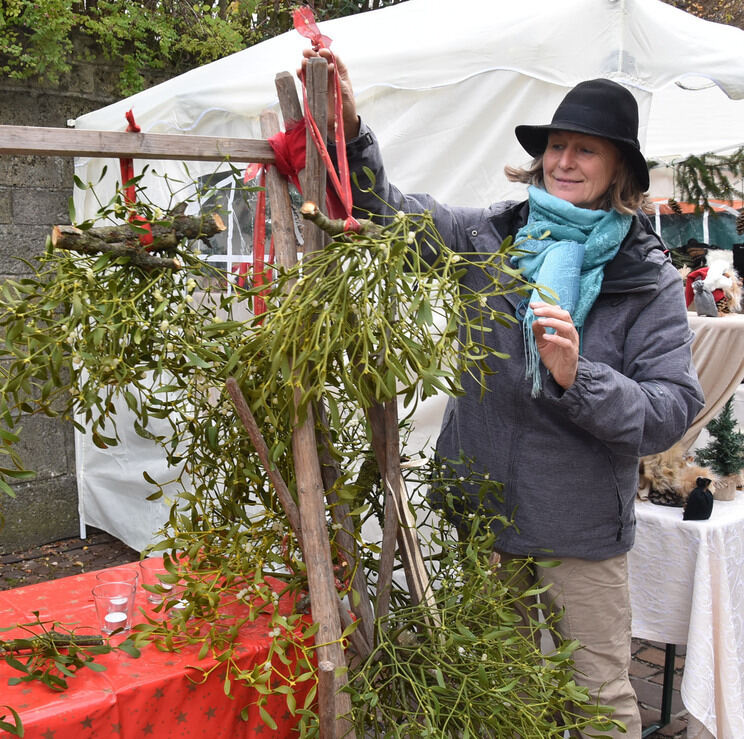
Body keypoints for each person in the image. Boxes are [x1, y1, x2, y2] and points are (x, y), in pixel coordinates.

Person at [301, 49, 705, 737]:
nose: (564, 161)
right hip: (485, 516)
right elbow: (388, 213)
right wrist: (352, 130)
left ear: (620, 172)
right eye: (556, 146)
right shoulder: (492, 237)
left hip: (579, 532)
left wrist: (578, 375)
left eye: (585, 150)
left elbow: (670, 410)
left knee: (597, 697)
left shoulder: (646, 277)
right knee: (502, 690)